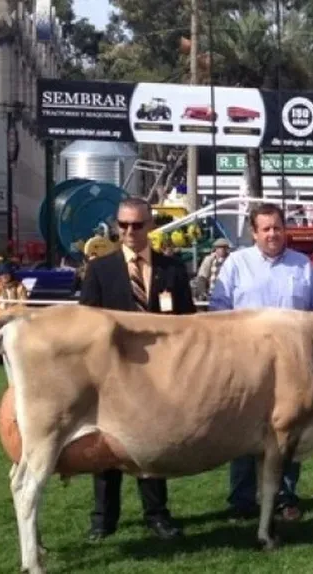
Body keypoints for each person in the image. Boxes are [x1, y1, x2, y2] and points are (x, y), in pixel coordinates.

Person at [80, 197, 195, 542]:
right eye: (124, 225)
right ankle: (103, 519)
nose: (130, 232)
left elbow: (188, 323)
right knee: (106, 448)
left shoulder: (172, 270)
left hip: (160, 375)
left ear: (150, 226)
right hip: (111, 373)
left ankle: (157, 515)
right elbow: (86, 324)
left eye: (137, 225)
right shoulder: (100, 270)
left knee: (154, 445)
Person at [210, 202, 313, 521]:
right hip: (246, 368)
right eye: (266, 229)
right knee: (244, 435)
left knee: (288, 434)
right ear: (254, 232)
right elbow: (218, 312)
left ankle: (284, 497)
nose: (273, 234)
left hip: (292, 370)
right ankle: (242, 500)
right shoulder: (236, 263)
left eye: (278, 227)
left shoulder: (302, 265)